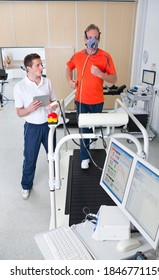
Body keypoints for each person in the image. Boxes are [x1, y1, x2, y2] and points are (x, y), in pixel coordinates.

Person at [66, 24, 117, 169]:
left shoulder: (105, 56)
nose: (92, 40)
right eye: (89, 37)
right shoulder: (77, 56)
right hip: (81, 100)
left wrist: (100, 74)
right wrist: (70, 80)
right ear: (84, 39)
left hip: (97, 101)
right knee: (83, 129)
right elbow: (68, 68)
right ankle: (84, 158)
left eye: (95, 37)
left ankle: (93, 138)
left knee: (93, 127)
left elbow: (114, 79)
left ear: (99, 38)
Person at [13, 53, 57, 199]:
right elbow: (19, 112)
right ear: (28, 68)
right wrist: (29, 109)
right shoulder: (20, 87)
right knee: (30, 158)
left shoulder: (47, 82)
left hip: (48, 125)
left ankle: (56, 178)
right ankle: (26, 186)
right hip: (32, 128)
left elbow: (54, 102)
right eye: (37, 65)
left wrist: (52, 106)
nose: (41, 67)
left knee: (53, 155)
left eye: (41, 64)